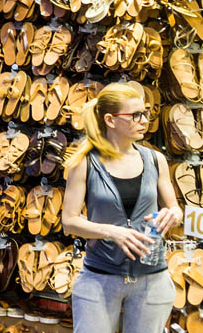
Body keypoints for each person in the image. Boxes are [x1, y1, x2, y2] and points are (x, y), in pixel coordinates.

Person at [62, 83, 180, 333]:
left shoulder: (155, 159)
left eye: (145, 113)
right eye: (135, 115)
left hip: (152, 277)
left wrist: (172, 215)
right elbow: (69, 221)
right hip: (100, 278)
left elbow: (175, 209)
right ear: (110, 120)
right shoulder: (85, 163)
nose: (144, 121)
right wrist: (112, 232)